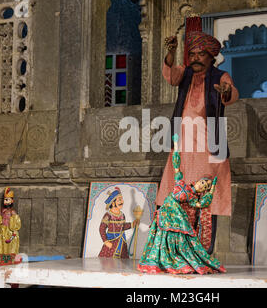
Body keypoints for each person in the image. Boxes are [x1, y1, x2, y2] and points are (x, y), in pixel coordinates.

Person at [156, 31, 239, 254]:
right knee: (179, 196)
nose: (195, 58)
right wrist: (171, 52)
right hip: (182, 146)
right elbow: (170, 76)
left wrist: (227, 91)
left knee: (205, 198)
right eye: (192, 54)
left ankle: (202, 252)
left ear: (211, 57)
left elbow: (231, 94)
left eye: (200, 54)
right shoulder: (185, 74)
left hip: (209, 146)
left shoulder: (221, 76)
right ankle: (178, 251)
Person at [138, 135, 226, 274]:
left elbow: (200, 204)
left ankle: (175, 260)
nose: (202, 186)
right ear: (197, 181)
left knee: (177, 237)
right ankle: (158, 261)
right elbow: (176, 165)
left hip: (177, 214)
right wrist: (176, 145)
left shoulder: (191, 198)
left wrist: (212, 189)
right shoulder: (181, 182)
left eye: (205, 187)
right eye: (203, 183)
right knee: (161, 235)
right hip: (167, 209)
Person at [98, 187, 140, 258]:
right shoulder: (108, 215)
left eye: (122, 199)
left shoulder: (122, 215)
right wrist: (106, 242)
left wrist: (132, 224)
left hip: (122, 241)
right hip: (111, 241)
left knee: (123, 262)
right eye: (119, 200)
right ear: (113, 203)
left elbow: (122, 226)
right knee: (108, 263)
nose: (122, 201)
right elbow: (101, 228)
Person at [0, 187, 21, 254]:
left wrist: (14, 216)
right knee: (1, 247)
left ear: (12, 201)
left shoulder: (13, 212)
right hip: (2, 231)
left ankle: (10, 259)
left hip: (10, 231)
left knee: (10, 247)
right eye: (5, 199)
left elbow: (16, 225)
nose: (6, 201)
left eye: (8, 199)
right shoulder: (1, 212)